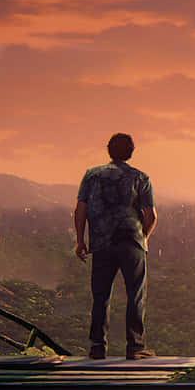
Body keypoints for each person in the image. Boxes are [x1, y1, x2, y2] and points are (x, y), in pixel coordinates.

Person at [74, 132, 157, 360]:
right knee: (135, 294)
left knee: (101, 295)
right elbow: (151, 215)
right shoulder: (140, 177)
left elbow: (81, 208)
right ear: (131, 152)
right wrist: (143, 239)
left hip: (101, 242)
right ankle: (135, 347)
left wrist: (81, 240)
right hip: (132, 241)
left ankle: (97, 346)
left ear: (109, 150)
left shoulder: (92, 176)